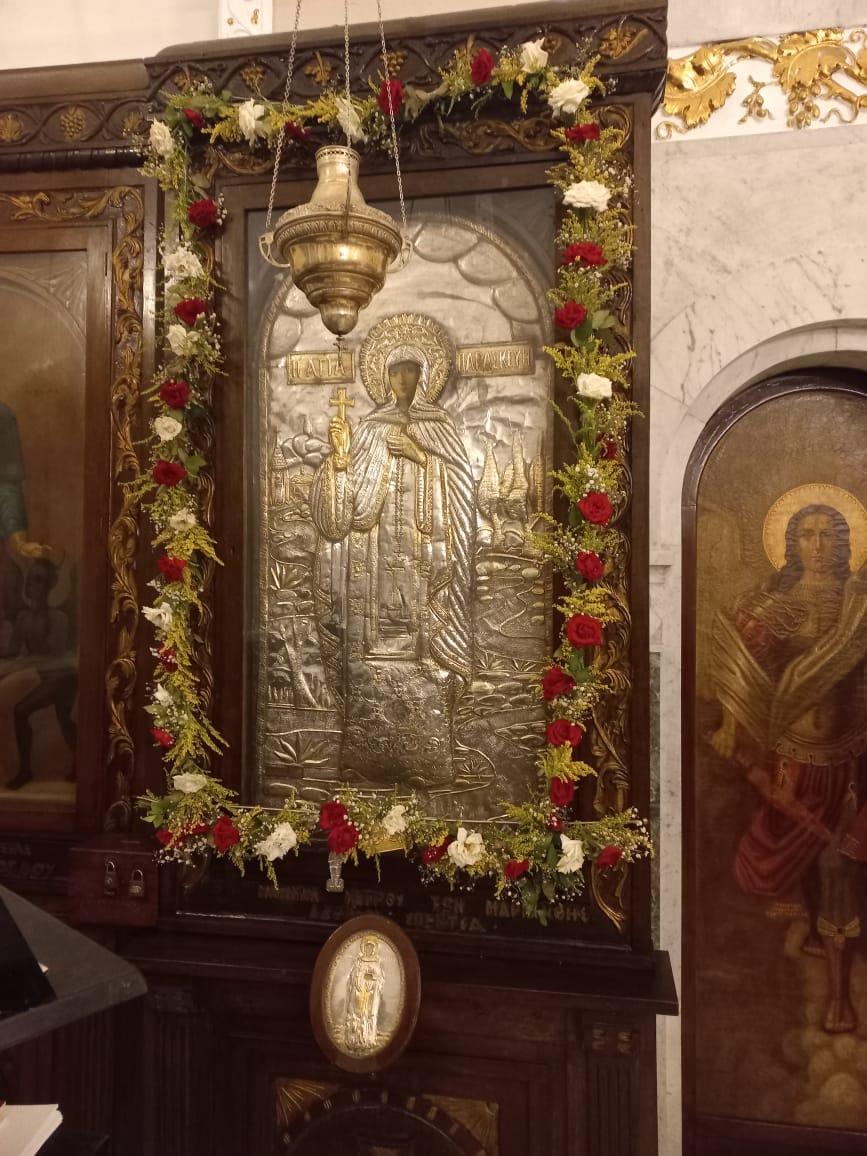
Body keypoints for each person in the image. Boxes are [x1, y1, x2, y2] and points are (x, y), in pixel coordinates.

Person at [711, 501, 867, 1033]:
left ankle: (839, 1000)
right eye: (807, 535)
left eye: (828, 535)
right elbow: (737, 662)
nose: (818, 546)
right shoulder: (779, 603)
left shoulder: (858, 604)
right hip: (794, 757)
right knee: (810, 858)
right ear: (792, 544)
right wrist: (730, 727)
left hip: (853, 756)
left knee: (838, 864)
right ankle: (814, 938)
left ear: (843, 542)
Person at [309, 344, 476, 786]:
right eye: (396, 371)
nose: (403, 379)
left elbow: (463, 485)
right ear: (384, 376)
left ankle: (430, 763)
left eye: (410, 371)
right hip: (372, 573)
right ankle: (362, 763)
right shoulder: (369, 428)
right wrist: (340, 459)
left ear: (424, 376)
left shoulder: (439, 427)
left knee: (425, 659)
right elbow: (347, 510)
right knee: (367, 663)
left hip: (423, 572)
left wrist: (421, 455)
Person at [342, 937, 385, 1053]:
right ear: (363, 948)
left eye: (371, 947)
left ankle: (367, 1041)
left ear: (374, 949)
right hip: (358, 993)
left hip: (370, 995)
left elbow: (380, 980)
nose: (369, 949)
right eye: (367, 947)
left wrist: (371, 977)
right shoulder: (358, 962)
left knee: (368, 1016)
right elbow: (352, 977)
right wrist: (358, 977)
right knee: (355, 1015)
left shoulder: (376, 964)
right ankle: (353, 1040)